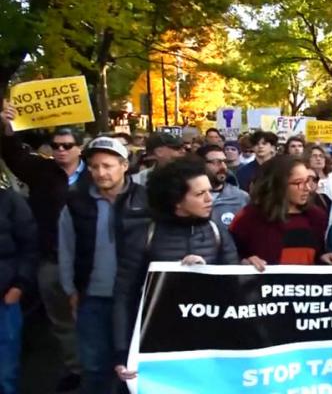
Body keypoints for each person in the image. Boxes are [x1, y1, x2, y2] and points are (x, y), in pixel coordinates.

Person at [114, 158, 241, 382]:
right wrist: (124, 354)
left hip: (208, 344)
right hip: (157, 344)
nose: (209, 199)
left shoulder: (217, 232)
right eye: (199, 194)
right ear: (176, 201)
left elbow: (234, 289)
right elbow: (124, 297)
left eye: (209, 191)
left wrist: (205, 276)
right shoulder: (144, 235)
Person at [1, 104, 85, 391]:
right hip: (52, 259)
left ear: (80, 148)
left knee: (94, 316)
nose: (60, 150)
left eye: (67, 146)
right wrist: (8, 129)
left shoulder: (96, 173)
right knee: (61, 321)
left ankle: (101, 368)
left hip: (89, 261)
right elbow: (14, 156)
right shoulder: (42, 172)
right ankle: (75, 368)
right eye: (56, 146)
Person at [58, 137, 147, 394]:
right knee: (94, 366)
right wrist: (71, 291)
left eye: (107, 166)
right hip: (93, 297)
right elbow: (66, 248)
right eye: (95, 167)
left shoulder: (146, 200)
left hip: (135, 298)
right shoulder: (77, 202)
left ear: (124, 166)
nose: (101, 173)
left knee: (130, 368)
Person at [230, 155, 330, 267]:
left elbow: (318, 255)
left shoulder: (317, 217)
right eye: (298, 183)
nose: (307, 188)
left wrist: (326, 258)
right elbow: (229, 257)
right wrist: (244, 262)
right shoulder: (248, 218)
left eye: (308, 181)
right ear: (278, 184)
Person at [0, 185, 37, 394]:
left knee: (5, 371)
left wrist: (19, 285)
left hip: (5, 297)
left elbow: (30, 245)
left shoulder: (10, 201)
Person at [196, 145, 249, 229]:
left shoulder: (241, 198)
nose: (223, 167)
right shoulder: (189, 198)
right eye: (216, 162)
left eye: (225, 161)